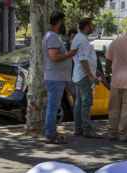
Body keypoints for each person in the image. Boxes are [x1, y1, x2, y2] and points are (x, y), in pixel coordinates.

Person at [42, 11, 78, 144]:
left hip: (59, 77)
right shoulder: (52, 37)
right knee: (53, 107)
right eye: (63, 21)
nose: (65, 25)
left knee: (53, 106)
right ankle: (50, 135)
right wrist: (70, 54)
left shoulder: (53, 36)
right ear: (59, 22)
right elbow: (54, 57)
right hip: (55, 78)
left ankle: (51, 132)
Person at [71, 18, 101, 138]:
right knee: (86, 102)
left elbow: (84, 59)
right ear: (87, 26)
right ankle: (86, 130)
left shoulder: (79, 38)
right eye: (91, 25)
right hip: (83, 76)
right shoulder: (82, 39)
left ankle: (78, 129)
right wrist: (91, 76)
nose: (93, 27)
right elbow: (83, 60)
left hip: (79, 75)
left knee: (79, 103)